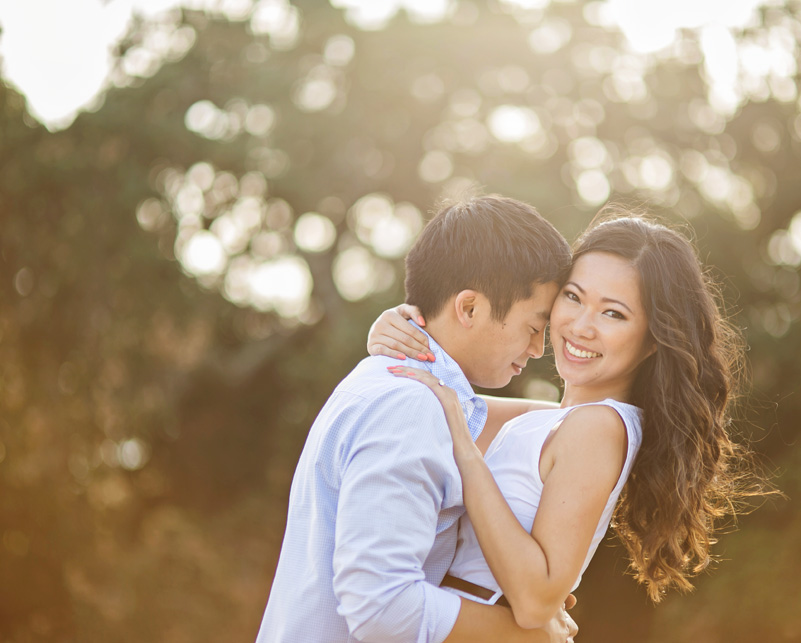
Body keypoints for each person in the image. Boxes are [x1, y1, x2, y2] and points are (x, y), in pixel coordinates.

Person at [368, 211, 762, 625]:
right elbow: (444, 399)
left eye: (613, 314)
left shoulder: (598, 429)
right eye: (573, 296)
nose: (580, 326)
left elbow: (537, 599)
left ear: (652, 340)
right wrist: (400, 326)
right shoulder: (553, 421)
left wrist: (467, 457)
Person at [255, 195, 577, 643]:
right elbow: (381, 606)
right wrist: (530, 636)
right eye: (533, 325)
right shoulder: (409, 404)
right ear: (469, 308)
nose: (538, 348)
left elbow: (563, 422)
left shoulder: (409, 390)